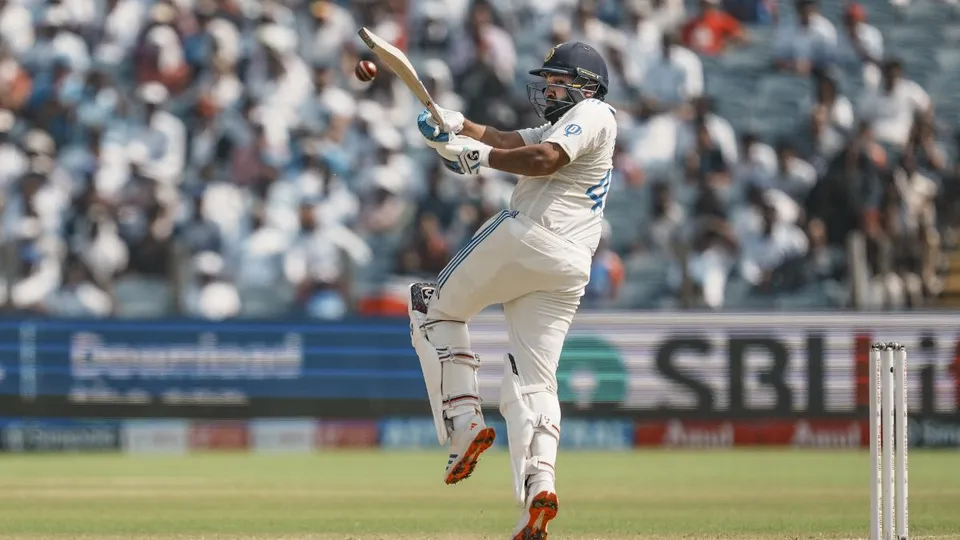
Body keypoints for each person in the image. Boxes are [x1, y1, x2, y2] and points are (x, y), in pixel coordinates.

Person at [407, 41, 617, 540]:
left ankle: (463, 424)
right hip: (568, 267)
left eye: (557, 80)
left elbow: (543, 159)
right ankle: (538, 490)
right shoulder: (567, 118)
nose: (547, 88)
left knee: (431, 308)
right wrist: (461, 127)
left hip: (531, 236)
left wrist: (477, 157)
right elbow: (506, 138)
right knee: (533, 384)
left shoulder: (593, 112)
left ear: (587, 84)